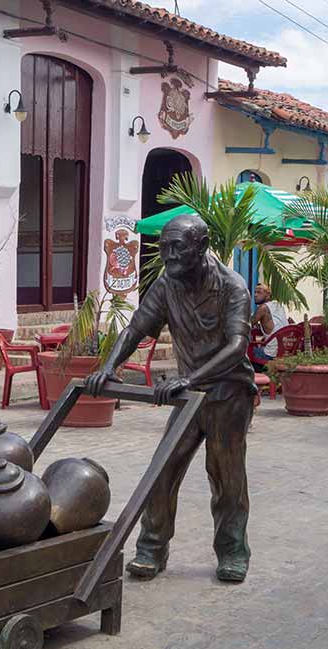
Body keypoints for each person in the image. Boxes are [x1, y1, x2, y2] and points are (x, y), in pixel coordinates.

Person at [84, 214, 256, 583]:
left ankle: (232, 552)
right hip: (187, 395)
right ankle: (151, 549)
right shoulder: (167, 284)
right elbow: (136, 327)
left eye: (178, 247)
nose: (169, 255)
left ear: (202, 246)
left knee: (226, 476)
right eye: (164, 247)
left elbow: (237, 346)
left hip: (228, 394)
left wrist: (189, 378)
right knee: (162, 470)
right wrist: (108, 367)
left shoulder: (232, 286)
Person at [250, 282, 288, 367]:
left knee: (246, 352)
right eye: (255, 292)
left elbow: (248, 323)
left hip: (271, 355)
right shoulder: (278, 305)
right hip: (284, 352)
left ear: (268, 295)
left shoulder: (263, 308)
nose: (255, 295)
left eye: (259, 292)